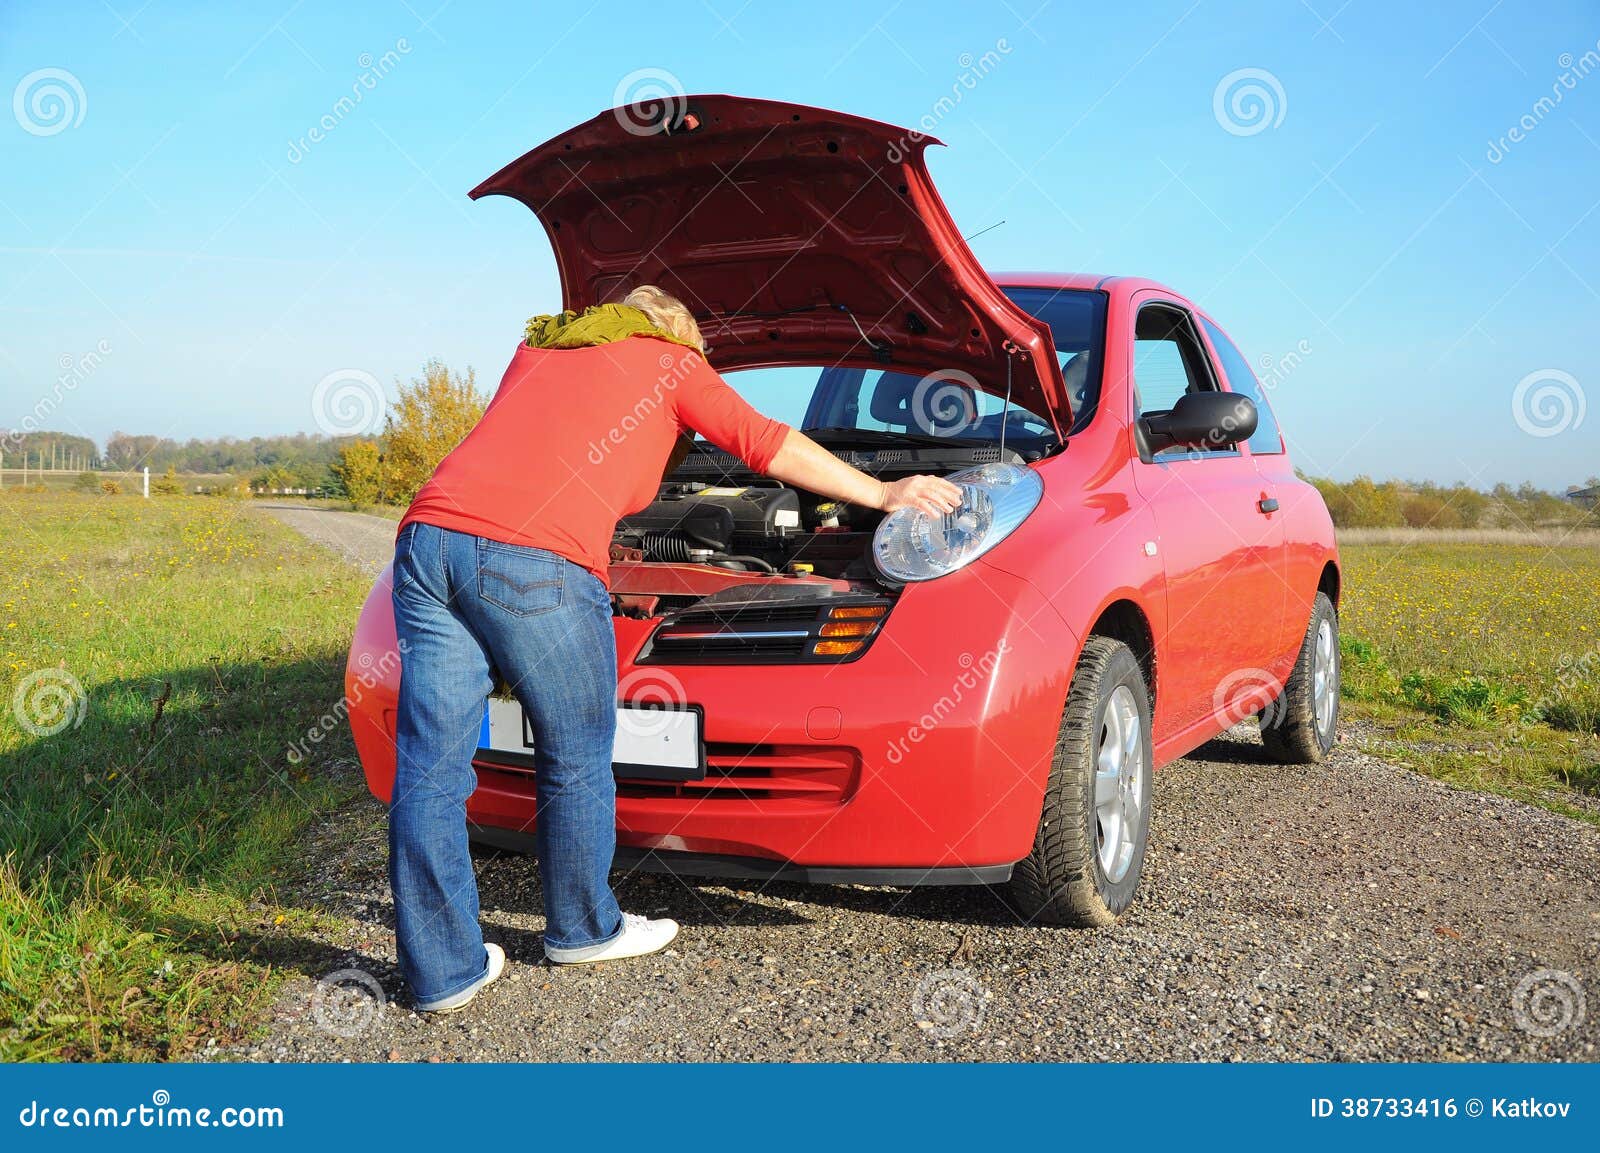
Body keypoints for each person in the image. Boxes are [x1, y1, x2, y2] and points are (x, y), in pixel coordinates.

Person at [388, 285, 963, 1012]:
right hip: (534, 556)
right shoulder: (670, 364)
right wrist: (882, 494)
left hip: (427, 537)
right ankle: (582, 928)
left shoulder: (540, 350)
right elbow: (766, 442)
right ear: (678, 336)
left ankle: (443, 972)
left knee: (431, 769)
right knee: (575, 748)